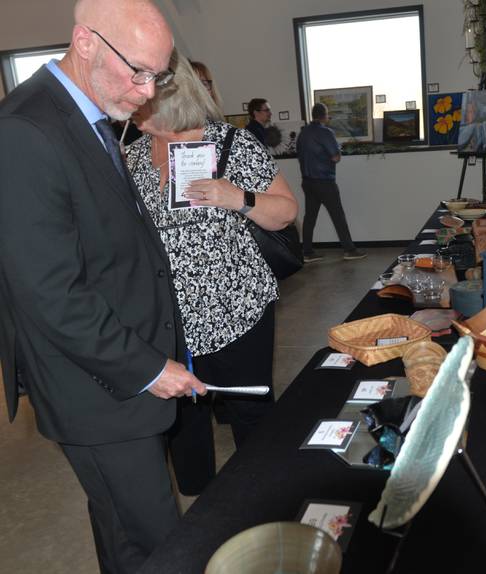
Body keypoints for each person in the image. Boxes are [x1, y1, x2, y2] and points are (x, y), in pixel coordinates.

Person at [0, 1, 207, 573]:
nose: (147, 92)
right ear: (84, 42)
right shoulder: (23, 131)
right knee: (163, 542)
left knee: (126, 534)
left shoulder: (84, 112)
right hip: (95, 387)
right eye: (137, 71)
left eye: (158, 76)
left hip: (118, 368)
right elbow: (49, 294)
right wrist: (146, 367)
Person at [127, 50, 298, 495]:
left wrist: (236, 197)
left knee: (251, 415)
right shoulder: (131, 157)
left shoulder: (231, 145)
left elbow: (284, 213)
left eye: (139, 97)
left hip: (236, 310)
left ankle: (262, 500)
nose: (128, 105)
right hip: (167, 324)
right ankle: (201, 517)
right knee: (183, 427)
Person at [296, 102, 366, 262]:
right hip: (324, 182)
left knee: (310, 217)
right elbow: (336, 157)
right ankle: (349, 250)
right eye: (327, 114)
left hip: (307, 182)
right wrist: (336, 152)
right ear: (324, 116)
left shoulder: (303, 133)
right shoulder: (326, 132)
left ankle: (307, 252)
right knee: (338, 216)